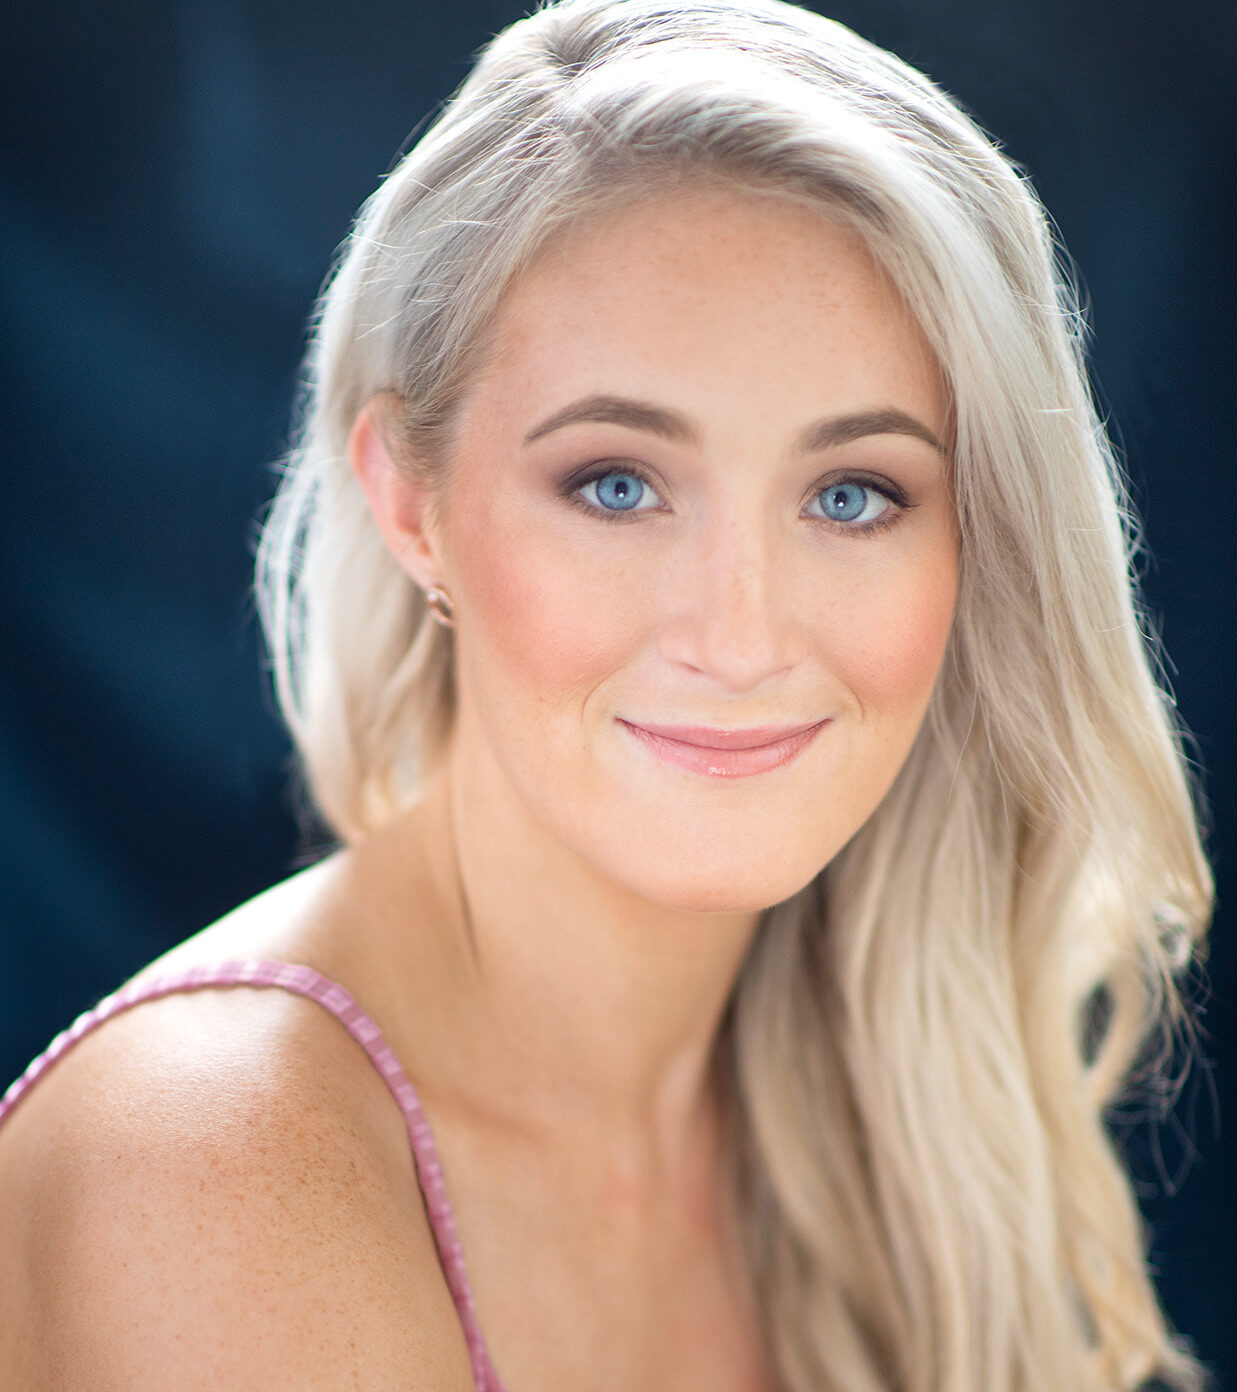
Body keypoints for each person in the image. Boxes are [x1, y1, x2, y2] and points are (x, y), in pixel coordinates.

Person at [0, 0, 1212, 1388]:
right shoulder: (209, 1162)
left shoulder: (857, 1123)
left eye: (850, 494)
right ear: (412, 500)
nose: (741, 634)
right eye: (616, 485)